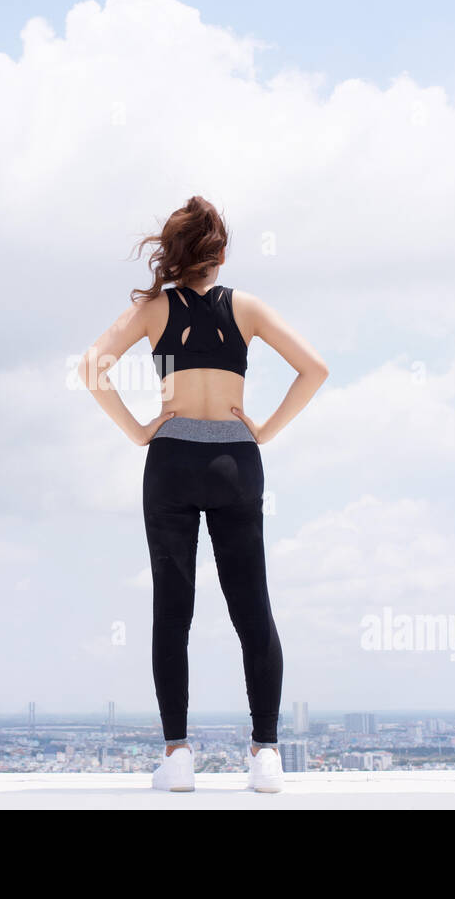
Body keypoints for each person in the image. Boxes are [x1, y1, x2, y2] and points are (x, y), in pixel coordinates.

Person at [76, 195, 328, 793]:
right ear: (217, 254)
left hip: (170, 462)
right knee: (252, 608)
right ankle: (266, 754)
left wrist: (140, 430)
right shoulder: (246, 308)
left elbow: (91, 367)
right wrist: (262, 429)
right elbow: (314, 369)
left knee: (173, 611)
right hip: (235, 460)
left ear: (175, 253)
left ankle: (179, 755)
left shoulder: (154, 310)